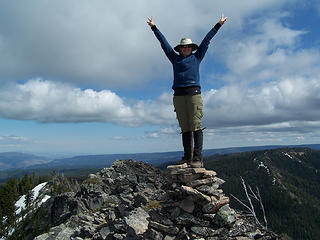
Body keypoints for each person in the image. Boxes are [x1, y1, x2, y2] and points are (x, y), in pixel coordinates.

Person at [147, 14, 228, 167]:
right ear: (180, 49)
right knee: (185, 127)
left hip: (193, 94)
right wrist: (154, 28)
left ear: (191, 48)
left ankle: (197, 158)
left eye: (188, 47)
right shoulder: (174, 58)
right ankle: (187, 157)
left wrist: (218, 25)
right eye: (183, 47)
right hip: (178, 96)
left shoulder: (197, 57)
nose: (186, 49)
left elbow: (206, 41)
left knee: (195, 125)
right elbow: (164, 43)